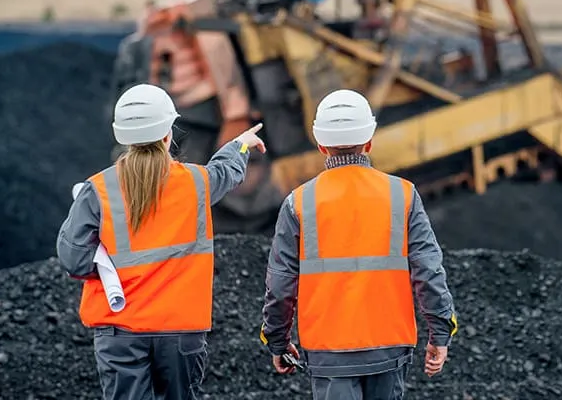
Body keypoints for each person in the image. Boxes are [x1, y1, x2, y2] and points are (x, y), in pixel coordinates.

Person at [56, 83, 266, 400]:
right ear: (168, 134)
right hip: (180, 330)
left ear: (123, 137)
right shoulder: (196, 183)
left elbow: (74, 259)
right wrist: (241, 144)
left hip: (120, 330)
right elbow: (226, 171)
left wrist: (108, 266)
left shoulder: (97, 190)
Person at [260, 89, 458, 400]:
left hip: (328, 352)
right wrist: (440, 331)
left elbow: (281, 284)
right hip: (389, 347)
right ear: (369, 141)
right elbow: (428, 271)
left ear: (321, 145)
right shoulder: (402, 195)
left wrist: (278, 341)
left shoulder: (299, 203)